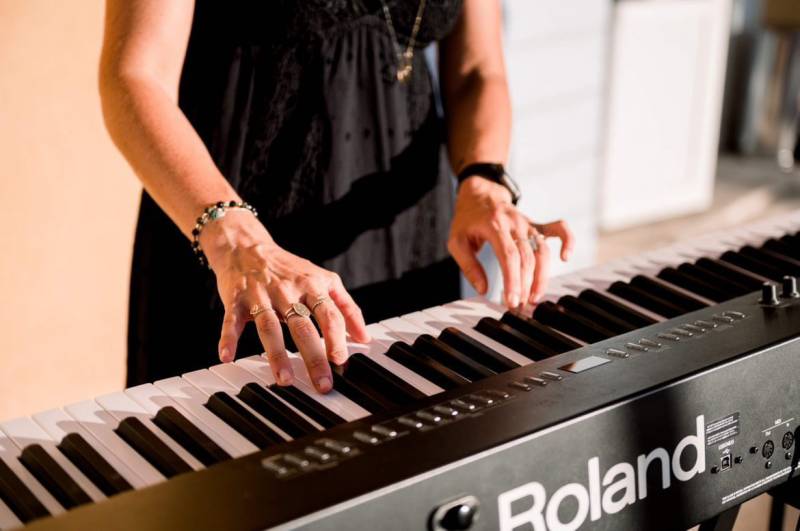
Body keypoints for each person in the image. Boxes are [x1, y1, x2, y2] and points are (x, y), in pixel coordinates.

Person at [99, 0, 573, 394]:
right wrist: (235, 241)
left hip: (406, 231)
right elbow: (136, 76)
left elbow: (477, 70)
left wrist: (484, 176)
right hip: (235, 241)